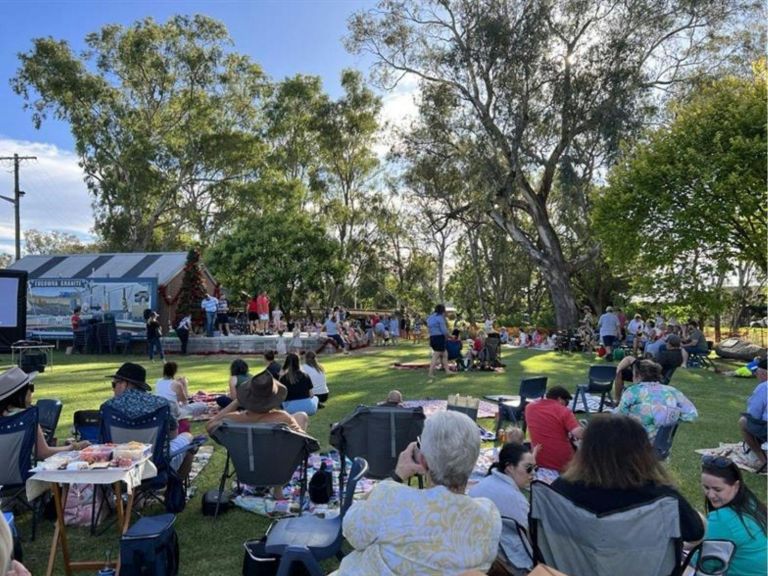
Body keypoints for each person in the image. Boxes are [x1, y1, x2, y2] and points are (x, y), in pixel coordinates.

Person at [335, 411, 502, 575]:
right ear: (473, 462)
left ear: (422, 460)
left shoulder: (392, 499)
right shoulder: (489, 517)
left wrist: (397, 475)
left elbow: (351, 530)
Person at [552, 414, 704, 545]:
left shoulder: (561, 489)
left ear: (586, 451)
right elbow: (695, 532)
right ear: (642, 452)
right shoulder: (662, 497)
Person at [101, 362, 192, 470]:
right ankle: (175, 484)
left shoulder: (108, 407)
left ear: (125, 384)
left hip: (117, 469)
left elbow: (104, 442)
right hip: (156, 468)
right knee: (188, 437)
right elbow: (173, 435)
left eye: (114, 384)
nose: (113, 389)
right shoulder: (161, 405)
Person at [469, 442, 536, 575]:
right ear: (509, 468)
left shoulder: (485, 483)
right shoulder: (515, 500)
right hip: (502, 563)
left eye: (535, 468)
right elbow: (533, 538)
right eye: (528, 468)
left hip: (475, 553)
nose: (533, 473)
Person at [0, 367, 91, 459]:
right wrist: (74, 447)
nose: (32, 392)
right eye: (31, 387)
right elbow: (42, 453)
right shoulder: (26, 417)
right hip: (22, 473)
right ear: (21, 393)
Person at [699, 455, 767, 575]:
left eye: (717, 489)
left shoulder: (722, 520)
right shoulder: (751, 504)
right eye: (706, 487)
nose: (710, 495)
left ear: (736, 486)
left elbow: (706, 565)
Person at [615, 358, 698, 441]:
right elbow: (692, 414)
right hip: (661, 446)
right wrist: (671, 417)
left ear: (638, 375)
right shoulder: (672, 391)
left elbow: (619, 417)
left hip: (636, 444)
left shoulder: (632, 391)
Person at [206, 369, 308, 434]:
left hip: (245, 464)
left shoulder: (231, 419)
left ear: (246, 397)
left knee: (301, 415)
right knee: (301, 416)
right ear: (273, 399)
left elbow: (210, 426)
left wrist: (237, 401)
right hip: (280, 464)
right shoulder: (282, 418)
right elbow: (304, 440)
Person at [524, 386, 583, 481]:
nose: (566, 405)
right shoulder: (563, 411)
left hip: (538, 459)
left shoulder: (529, 408)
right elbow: (578, 434)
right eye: (566, 402)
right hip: (564, 463)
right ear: (559, 399)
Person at [154, 362, 208, 433]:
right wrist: (185, 385)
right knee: (203, 405)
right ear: (175, 371)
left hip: (160, 411)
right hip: (174, 412)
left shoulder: (158, 381)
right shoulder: (176, 384)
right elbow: (184, 401)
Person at [739, 358, 767, 472]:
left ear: (764, 374)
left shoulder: (764, 387)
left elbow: (754, 414)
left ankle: (764, 461)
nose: (755, 374)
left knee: (744, 421)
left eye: (757, 372)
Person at [427, 303, 451, 379]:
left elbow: (428, 326)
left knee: (445, 354)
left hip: (432, 337)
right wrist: (450, 336)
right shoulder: (440, 318)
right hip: (439, 338)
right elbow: (444, 331)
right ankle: (430, 373)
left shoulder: (430, 317)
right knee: (436, 355)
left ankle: (447, 371)